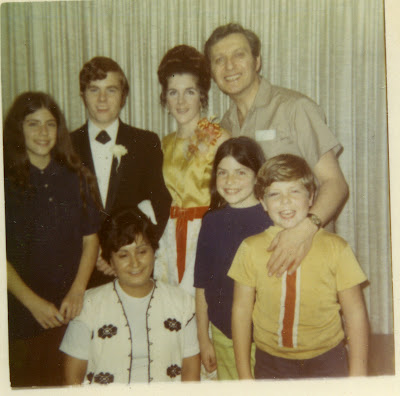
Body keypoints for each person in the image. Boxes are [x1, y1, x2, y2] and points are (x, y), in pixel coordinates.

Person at [204, 23, 349, 277]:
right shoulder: (223, 128)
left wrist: (303, 231)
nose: (229, 66)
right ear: (212, 72)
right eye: (219, 59)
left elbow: (335, 183)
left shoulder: (295, 108)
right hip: (256, 259)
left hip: (306, 252)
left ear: (257, 61)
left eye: (239, 55)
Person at [228, 154, 368, 379]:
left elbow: (355, 313)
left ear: (311, 197)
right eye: (274, 194)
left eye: (294, 191)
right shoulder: (250, 249)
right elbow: (241, 311)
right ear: (263, 202)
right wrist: (244, 375)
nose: (285, 202)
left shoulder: (337, 248)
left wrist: (359, 372)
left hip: (328, 360)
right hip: (270, 362)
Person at [4, 92, 101, 387]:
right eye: (33, 124)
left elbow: (91, 239)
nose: (43, 133)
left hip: (72, 308)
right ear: (18, 129)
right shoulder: (5, 180)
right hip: (20, 312)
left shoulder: (76, 175)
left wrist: (77, 291)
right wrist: (32, 303)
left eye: (50, 124)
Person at [60, 208, 201, 384]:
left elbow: (190, 371)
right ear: (110, 261)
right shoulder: (89, 305)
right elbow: (72, 378)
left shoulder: (182, 303)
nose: (135, 263)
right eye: (123, 255)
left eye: (142, 252)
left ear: (154, 251)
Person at [70, 56, 171, 286]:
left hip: (133, 268)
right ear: (83, 95)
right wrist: (94, 254)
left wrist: (134, 253)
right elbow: (61, 211)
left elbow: (161, 204)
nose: (102, 99)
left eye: (111, 90)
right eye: (94, 90)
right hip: (81, 269)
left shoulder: (146, 142)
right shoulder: (65, 146)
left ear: (123, 96)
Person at [194, 137, 273, 380]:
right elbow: (201, 285)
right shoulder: (211, 221)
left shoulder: (272, 219)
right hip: (223, 335)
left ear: (258, 175)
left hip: (265, 339)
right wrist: (203, 338)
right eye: (223, 172)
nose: (230, 181)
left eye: (240, 172)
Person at [155, 45, 229, 296]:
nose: (181, 101)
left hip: (205, 234)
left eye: (189, 92)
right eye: (173, 93)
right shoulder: (163, 144)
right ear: (165, 97)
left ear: (202, 95)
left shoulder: (218, 138)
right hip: (169, 236)